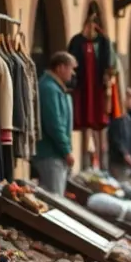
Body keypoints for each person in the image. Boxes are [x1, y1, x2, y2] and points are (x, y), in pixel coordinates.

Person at [34, 51, 77, 195]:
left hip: (55, 154)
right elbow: (54, 124)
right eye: (71, 68)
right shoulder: (49, 89)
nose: (73, 73)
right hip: (50, 154)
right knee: (54, 199)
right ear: (60, 68)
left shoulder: (56, 88)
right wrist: (66, 151)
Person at [108, 88, 131, 180]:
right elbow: (118, 142)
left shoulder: (128, 118)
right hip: (117, 162)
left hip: (125, 164)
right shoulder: (118, 118)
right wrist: (129, 159)